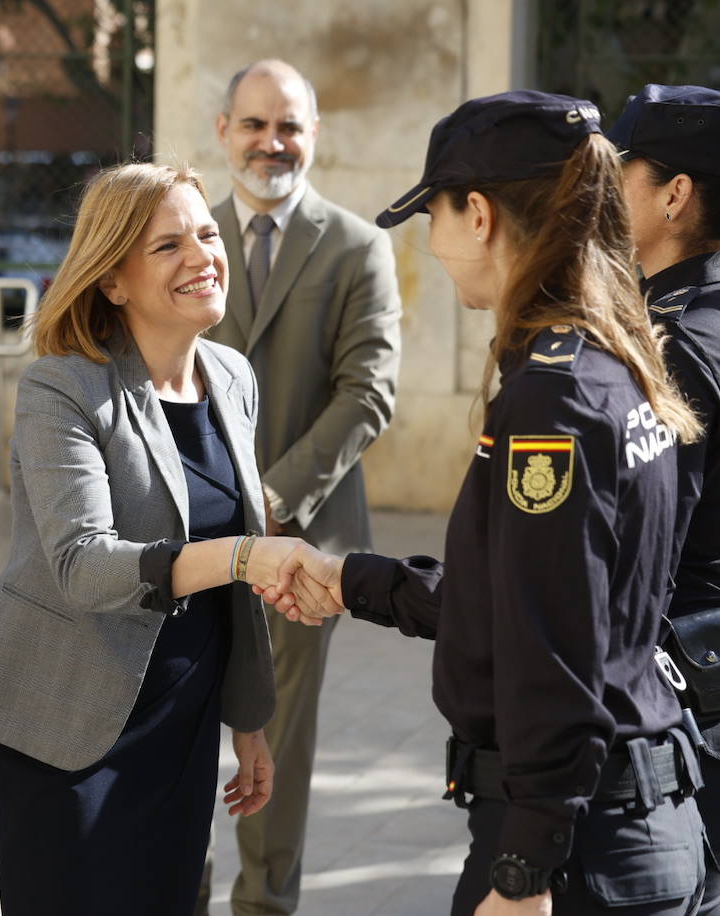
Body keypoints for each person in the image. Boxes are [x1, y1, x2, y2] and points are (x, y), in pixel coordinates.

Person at [266, 90, 709, 914]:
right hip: (631, 824)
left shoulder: (556, 398)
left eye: (431, 213)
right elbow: (552, 598)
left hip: (577, 849)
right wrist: (354, 581)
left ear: (478, 215)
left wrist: (524, 873)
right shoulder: (621, 362)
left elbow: (554, 647)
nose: (429, 244)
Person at [0, 162, 301, 916]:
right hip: (66, 728)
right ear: (113, 281)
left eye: (206, 232)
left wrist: (249, 719)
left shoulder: (232, 377)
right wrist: (242, 557)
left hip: (183, 724)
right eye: (168, 246)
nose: (202, 256)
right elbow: (84, 566)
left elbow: (232, 591)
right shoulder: (63, 387)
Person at [206, 58, 402, 916]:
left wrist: (274, 498)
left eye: (288, 125)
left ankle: (264, 903)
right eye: (254, 124)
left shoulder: (359, 245)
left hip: (306, 539)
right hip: (191, 535)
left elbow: (369, 391)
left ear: (313, 135)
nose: (271, 142)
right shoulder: (183, 238)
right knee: (176, 722)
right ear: (224, 132)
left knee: (279, 738)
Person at [609, 80, 720, 880]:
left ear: (675, 195)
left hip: (691, 704)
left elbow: (643, 559)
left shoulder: (672, 345)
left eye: (622, 172)